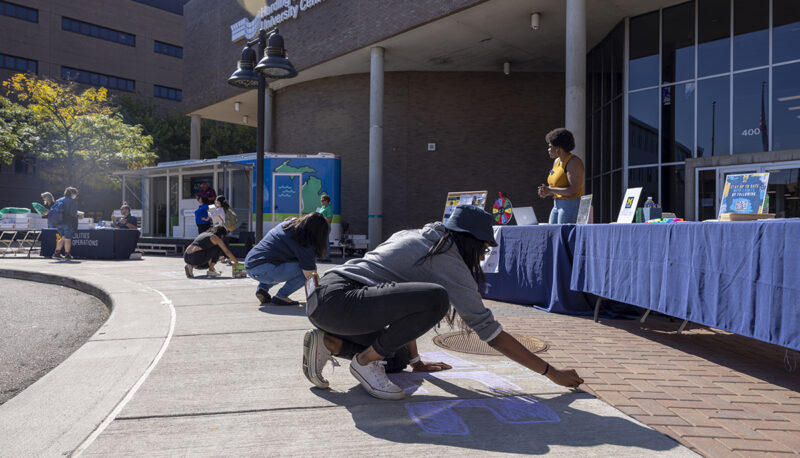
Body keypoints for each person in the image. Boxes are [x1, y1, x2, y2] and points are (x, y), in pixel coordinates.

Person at [301, 205, 584, 400]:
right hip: (341, 302)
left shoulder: (417, 236)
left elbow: (398, 300)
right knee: (436, 298)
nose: (485, 253)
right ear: (470, 240)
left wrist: (415, 360)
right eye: (484, 246)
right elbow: (491, 333)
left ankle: (329, 343)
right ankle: (364, 362)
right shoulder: (446, 259)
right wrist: (551, 372)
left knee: (396, 358)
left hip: (327, 299)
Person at [245, 212, 329, 306]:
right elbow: (310, 275)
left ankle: (263, 288)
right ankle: (281, 296)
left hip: (250, 265)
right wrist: (322, 292)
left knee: (280, 260)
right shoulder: (304, 242)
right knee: (305, 271)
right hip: (266, 269)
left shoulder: (289, 223)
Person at [538, 128, 585, 224]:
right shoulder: (557, 161)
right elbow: (557, 188)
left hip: (570, 205)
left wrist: (550, 190)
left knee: (564, 237)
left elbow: (574, 191)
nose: (548, 149)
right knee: (552, 234)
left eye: (550, 147)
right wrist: (546, 191)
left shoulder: (574, 162)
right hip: (556, 204)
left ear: (559, 148)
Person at [50, 187, 79, 260]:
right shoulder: (71, 201)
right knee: (68, 238)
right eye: (75, 194)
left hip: (58, 222)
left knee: (62, 237)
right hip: (68, 222)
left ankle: (56, 253)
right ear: (72, 194)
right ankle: (67, 254)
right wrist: (78, 215)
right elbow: (73, 214)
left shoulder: (59, 200)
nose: (75, 195)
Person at [316, 194, 333, 261]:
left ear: (327, 201)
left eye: (322, 200)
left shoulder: (329, 208)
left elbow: (329, 219)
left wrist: (321, 219)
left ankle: (327, 257)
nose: (321, 202)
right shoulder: (322, 207)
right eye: (321, 200)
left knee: (325, 242)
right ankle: (322, 256)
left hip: (325, 227)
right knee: (322, 242)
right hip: (321, 228)